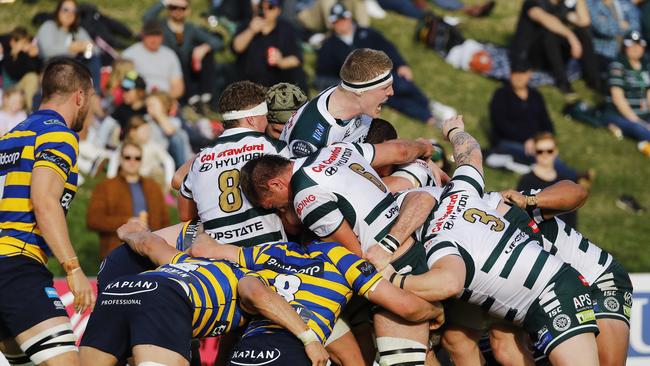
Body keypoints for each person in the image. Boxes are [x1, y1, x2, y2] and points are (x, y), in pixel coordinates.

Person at [387, 115, 601, 366]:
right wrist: (455, 131)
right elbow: (470, 153)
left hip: (554, 291)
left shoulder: (438, 235)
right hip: (542, 289)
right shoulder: (462, 188)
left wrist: (386, 276)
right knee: (463, 338)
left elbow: (449, 283)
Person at [79, 222, 330, 366]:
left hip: (119, 291)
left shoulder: (184, 261)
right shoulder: (249, 276)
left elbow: (146, 242)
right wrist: (310, 339)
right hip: (164, 299)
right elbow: (258, 295)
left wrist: (126, 231)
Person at [0, 57, 95, 366]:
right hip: (17, 265)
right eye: (90, 99)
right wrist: (73, 268)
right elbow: (44, 200)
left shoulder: (10, 137)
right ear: (79, 96)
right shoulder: (59, 135)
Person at [178, 81, 290, 246]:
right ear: (251, 119)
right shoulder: (273, 148)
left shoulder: (201, 158)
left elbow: (185, 214)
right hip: (267, 251)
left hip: (218, 256)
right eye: (264, 116)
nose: (267, 122)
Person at [316, 3, 456, 125]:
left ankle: (430, 105)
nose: (342, 23)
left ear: (349, 18)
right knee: (394, 101)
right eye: (337, 21)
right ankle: (428, 118)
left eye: (343, 19)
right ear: (332, 24)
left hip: (383, 73)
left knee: (403, 85)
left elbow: (388, 48)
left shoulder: (367, 33)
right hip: (363, 88)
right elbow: (323, 74)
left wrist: (401, 64)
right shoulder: (328, 46)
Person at [280, 48, 393, 157]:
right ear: (360, 91)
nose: (391, 92)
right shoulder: (309, 139)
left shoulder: (351, 99)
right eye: (385, 88)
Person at [487, 62, 580, 179]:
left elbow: (546, 121)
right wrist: (527, 139)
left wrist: (546, 137)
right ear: (510, 74)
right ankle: (574, 177)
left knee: (546, 151)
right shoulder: (501, 95)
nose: (519, 77)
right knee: (541, 154)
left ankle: (566, 177)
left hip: (535, 142)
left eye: (523, 73)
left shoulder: (535, 95)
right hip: (508, 141)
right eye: (516, 74)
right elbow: (500, 124)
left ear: (529, 74)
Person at [86, 141, 170, 258]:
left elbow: (165, 221)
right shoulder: (105, 187)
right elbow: (93, 220)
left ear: (141, 160)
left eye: (137, 158)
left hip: (151, 252)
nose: (132, 161)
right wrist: (126, 221)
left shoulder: (153, 188)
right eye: (127, 157)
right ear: (120, 159)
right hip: (118, 251)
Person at [142, 0, 224, 111]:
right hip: (170, 69)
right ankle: (193, 99)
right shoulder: (161, 26)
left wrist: (204, 48)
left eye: (182, 8)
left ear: (187, 10)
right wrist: (165, 2)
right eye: (173, 7)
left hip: (190, 68)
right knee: (177, 56)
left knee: (207, 54)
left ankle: (207, 96)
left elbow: (217, 42)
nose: (178, 11)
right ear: (168, 9)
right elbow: (146, 18)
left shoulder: (190, 28)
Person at [510, 0, 601, 94]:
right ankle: (562, 82)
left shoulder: (562, 5)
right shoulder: (533, 2)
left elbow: (584, 22)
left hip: (554, 56)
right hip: (532, 56)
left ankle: (594, 81)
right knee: (549, 33)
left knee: (582, 32)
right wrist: (570, 36)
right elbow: (545, 19)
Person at [232, 0, 307, 91]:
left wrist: (281, 61)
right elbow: (236, 48)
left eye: (270, 7)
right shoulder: (247, 25)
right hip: (248, 88)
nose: (264, 11)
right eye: (261, 7)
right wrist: (251, 30)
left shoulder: (286, 29)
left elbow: (296, 60)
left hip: (277, 89)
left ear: (278, 11)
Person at [36, 0, 102, 93]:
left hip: (76, 64)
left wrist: (87, 48)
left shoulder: (78, 31)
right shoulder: (48, 26)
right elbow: (47, 51)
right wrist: (70, 48)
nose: (70, 13)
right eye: (66, 10)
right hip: (53, 65)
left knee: (93, 58)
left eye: (73, 11)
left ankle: (94, 93)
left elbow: (96, 49)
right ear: (58, 11)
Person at [517, 132, 580, 228]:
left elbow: (571, 215)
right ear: (534, 152)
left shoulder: (564, 181)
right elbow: (521, 213)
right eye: (540, 151)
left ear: (555, 152)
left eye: (549, 151)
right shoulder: (526, 181)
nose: (545, 154)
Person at [603, 30, 650, 156]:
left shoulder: (645, 66)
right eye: (631, 44)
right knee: (642, 130)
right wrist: (639, 122)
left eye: (639, 44)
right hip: (620, 114)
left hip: (644, 115)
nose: (636, 48)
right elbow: (618, 98)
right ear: (624, 46)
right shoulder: (618, 65)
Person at [122, 19, 185, 100]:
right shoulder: (129, 54)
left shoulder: (170, 55)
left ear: (162, 36)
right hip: (139, 99)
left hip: (165, 99)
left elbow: (178, 87)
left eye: (157, 35)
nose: (154, 39)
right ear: (142, 35)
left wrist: (164, 100)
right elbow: (125, 83)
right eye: (150, 35)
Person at [586, 0, 641, 73]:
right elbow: (602, 28)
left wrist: (609, 22)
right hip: (602, 53)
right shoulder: (592, 3)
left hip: (625, 51)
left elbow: (635, 26)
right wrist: (621, 25)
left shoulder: (625, 3)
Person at [1, 27, 41, 111]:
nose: (24, 46)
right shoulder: (6, 54)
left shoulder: (24, 56)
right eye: (22, 43)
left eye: (25, 43)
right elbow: (12, 73)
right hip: (6, 88)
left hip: (19, 84)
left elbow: (33, 70)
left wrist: (33, 57)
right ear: (12, 42)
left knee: (32, 77)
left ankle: (31, 111)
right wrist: (13, 55)